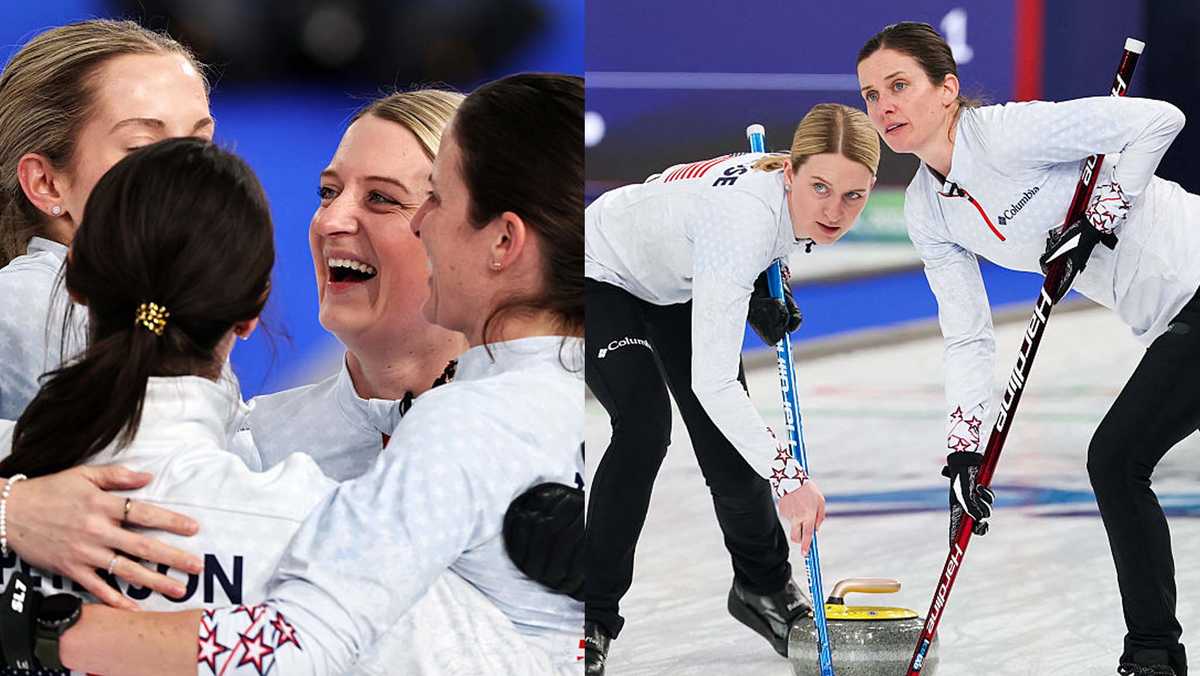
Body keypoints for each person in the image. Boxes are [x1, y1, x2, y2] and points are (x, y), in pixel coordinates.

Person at [0, 71, 585, 675]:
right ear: (251, 310)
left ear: (501, 239)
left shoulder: (547, 422)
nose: (332, 221)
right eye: (327, 192)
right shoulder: (258, 445)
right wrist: (12, 512)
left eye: (386, 199)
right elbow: (305, 640)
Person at [857, 21, 1196, 676]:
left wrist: (1099, 219)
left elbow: (1158, 119)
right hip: (1171, 315)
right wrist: (964, 451)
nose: (884, 106)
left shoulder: (1006, 134)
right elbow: (967, 333)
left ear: (947, 89)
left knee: (1117, 458)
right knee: (1119, 459)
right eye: (871, 95)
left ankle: (1153, 654)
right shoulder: (928, 209)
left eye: (899, 86)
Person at [583, 103, 881, 673]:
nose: (834, 211)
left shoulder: (780, 188)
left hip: (675, 276)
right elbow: (713, 382)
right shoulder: (743, 220)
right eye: (820, 188)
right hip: (599, 270)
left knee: (730, 440)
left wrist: (764, 287)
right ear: (790, 172)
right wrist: (789, 480)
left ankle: (762, 589)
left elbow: (699, 202)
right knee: (644, 426)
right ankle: (590, 615)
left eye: (854, 196)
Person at [0, 19, 213, 422]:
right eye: (141, 147)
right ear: (47, 183)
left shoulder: (156, 307)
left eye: (200, 145)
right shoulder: (29, 302)